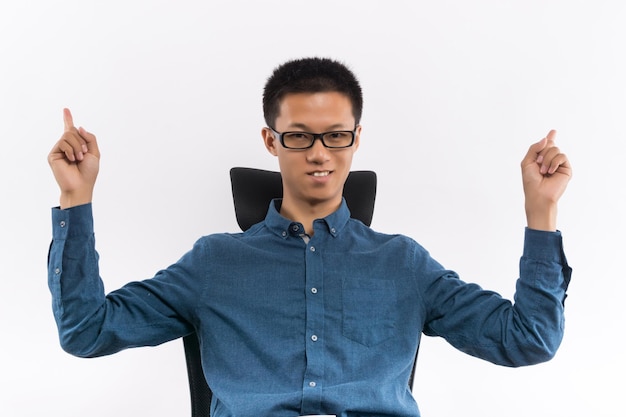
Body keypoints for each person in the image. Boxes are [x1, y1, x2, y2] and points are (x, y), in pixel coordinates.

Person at [47, 57, 572, 417]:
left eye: (336, 136)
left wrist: (541, 210)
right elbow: (87, 331)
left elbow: (529, 340)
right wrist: (77, 198)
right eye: (299, 136)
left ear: (356, 139)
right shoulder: (214, 264)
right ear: (271, 141)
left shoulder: (403, 264)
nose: (319, 153)